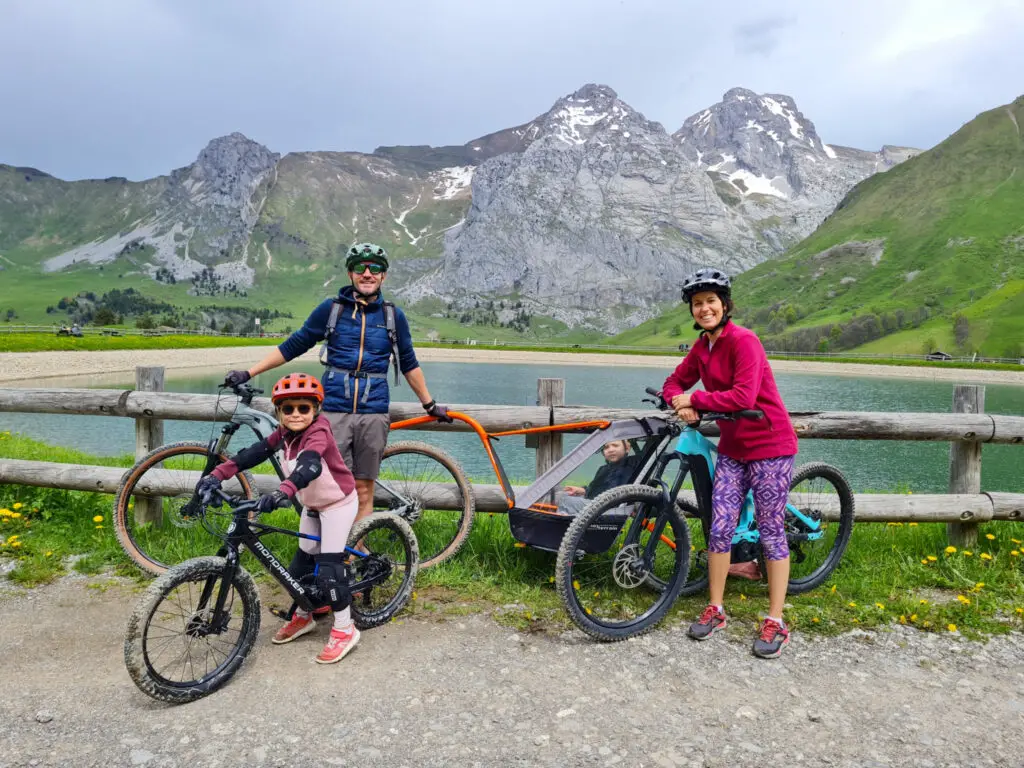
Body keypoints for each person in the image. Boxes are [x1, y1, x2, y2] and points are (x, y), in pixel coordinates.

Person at [223, 243, 451, 524]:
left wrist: (429, 404)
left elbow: (409, 363)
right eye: (360, 268)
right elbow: (294, 344)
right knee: (324, 486)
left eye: (375, 268)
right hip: (332, 413)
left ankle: (354, 556)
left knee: (364, 490)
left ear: (384, 276)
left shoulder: (394, 317)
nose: (367, 274)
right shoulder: (332, 310)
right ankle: (325, 553)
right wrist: (249, 372)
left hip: (373, 413)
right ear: (350, 273)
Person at [661, 268, 798, 659]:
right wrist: (677, 400)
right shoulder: (702, 346)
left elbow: (742, 398)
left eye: (710, 301)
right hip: (734, 449)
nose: (704, 308)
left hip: (770, 445)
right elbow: (675, 381)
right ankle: (716, 609)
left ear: (725, 305)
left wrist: (696, 401)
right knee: (719, 526)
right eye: (697, 303)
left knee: (771, 530)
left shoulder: (745, 341)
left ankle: (775, 620)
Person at [197, 372, 361, 664]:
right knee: (299, 565)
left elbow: (309, 467)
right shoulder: (284, 434)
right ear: (278, 412)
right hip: (312, 505)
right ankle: (304, 614)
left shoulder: (318, 432)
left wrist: (282, 492)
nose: (296, 414)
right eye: (288, 409)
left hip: (337, 503)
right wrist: (216, 475)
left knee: (329, 570)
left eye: (303, 408)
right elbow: (255, 453)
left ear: (316, 410)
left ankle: (345, 629)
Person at [559, 440, 637, 514]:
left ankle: (564, 521)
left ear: (627, 448)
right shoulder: (603, 469)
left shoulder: (633, 462)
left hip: (610, 506)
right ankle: (572, 520)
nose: (611, 450)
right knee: (565, 495)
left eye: (615, 445)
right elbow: (594, 488)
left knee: (566, 500)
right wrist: (582, 490)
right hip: (596, 502)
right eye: (606, 447)